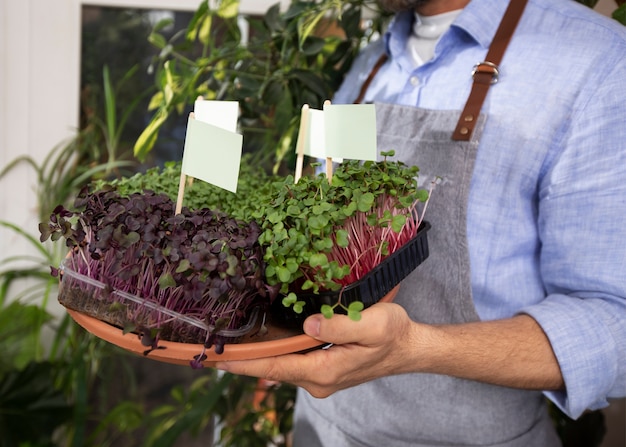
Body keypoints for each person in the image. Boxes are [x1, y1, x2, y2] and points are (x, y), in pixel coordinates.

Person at [216, 0, 626, 445]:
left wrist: (418, 348)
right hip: (323, 429)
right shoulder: (372, 61)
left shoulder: (596, 61)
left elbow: (615, 324)